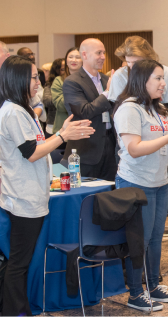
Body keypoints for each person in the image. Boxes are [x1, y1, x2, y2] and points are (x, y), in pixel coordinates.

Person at [0, 55, 94, 316]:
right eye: (32, 77)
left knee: (21, 260)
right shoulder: (13, 112)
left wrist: (59, 132)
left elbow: (38, 145)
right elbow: (31, 152)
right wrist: (63, 136)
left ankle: (16, 310)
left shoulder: (24, 110)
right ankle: (16, 312)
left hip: (31, 195)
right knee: (19, 262)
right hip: (22, 197)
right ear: (18, 79)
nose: (37, 81)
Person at [113, 59, 168, 311]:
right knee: (140, 239)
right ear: (141, 80)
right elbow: (134, 149)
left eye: (163, 78)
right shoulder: (129, 109)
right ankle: (136, 292)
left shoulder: (157, 110)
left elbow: (167, 149)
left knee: (156, 237)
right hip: (136, 182)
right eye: (157, 78)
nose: (163, 83)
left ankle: (153, 285)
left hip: (158, 181)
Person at [62, 39, 117, 180]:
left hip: (110, 148)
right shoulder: (72, 82)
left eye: (104, 53)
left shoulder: (106, 79)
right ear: (85, 55)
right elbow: (84, 112)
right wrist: (107, 92)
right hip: (86, 150)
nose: (103, 57)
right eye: (99, 53)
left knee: (108, 196)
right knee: (86, 198)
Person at [52, 47, 82, 134]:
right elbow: (60, 106)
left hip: (83, 129)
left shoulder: (88, 80)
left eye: (77, 57)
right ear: (66, 61)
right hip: (63, 130)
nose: (74, 60)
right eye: (71, 57)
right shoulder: (59, 80)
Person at [42, 58, 65, 135]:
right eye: (63, 69)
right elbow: (47, 100)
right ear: (56, 70)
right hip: (53, 125)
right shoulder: (50, 84)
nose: (66, 71)